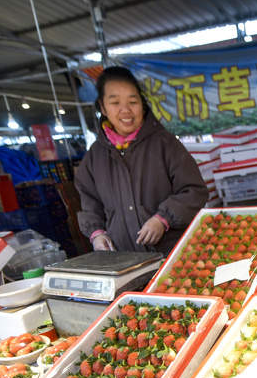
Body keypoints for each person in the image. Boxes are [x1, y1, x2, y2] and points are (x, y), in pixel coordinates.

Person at [75, 66, 207, 254]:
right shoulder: (95, 157)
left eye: (132, 101)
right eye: (115, 102)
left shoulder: (165, 144)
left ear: (142, 104)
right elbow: (90, 202)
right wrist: (97, 234)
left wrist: (163, 219)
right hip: (124, 259)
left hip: (171, 255)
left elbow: (194, 190)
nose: (126, 110)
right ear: (103, 107)